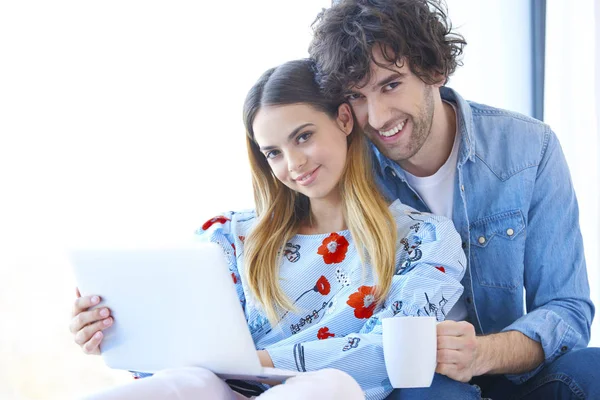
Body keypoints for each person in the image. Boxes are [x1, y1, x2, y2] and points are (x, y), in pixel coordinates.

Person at [69, 59, 468, 399]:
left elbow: (389, 354)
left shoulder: (424, 241)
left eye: (304, 137)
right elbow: (178, 358)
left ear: (344, 119)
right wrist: (118, 335)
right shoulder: (229, 236)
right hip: (219, 389)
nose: (293, 164)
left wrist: (253, 363)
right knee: (185, 381)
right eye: (274, 152)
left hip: (327, 394)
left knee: (327, 386)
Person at [308, 0, 599, 399]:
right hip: (415, 382)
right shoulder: (349, 168)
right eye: (356, 98)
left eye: (391, 85)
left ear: (434, 71)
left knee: (593, 369)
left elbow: (568, 309)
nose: (375, 117)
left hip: (508, 365)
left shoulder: (529, 148)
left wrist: (481, 354)